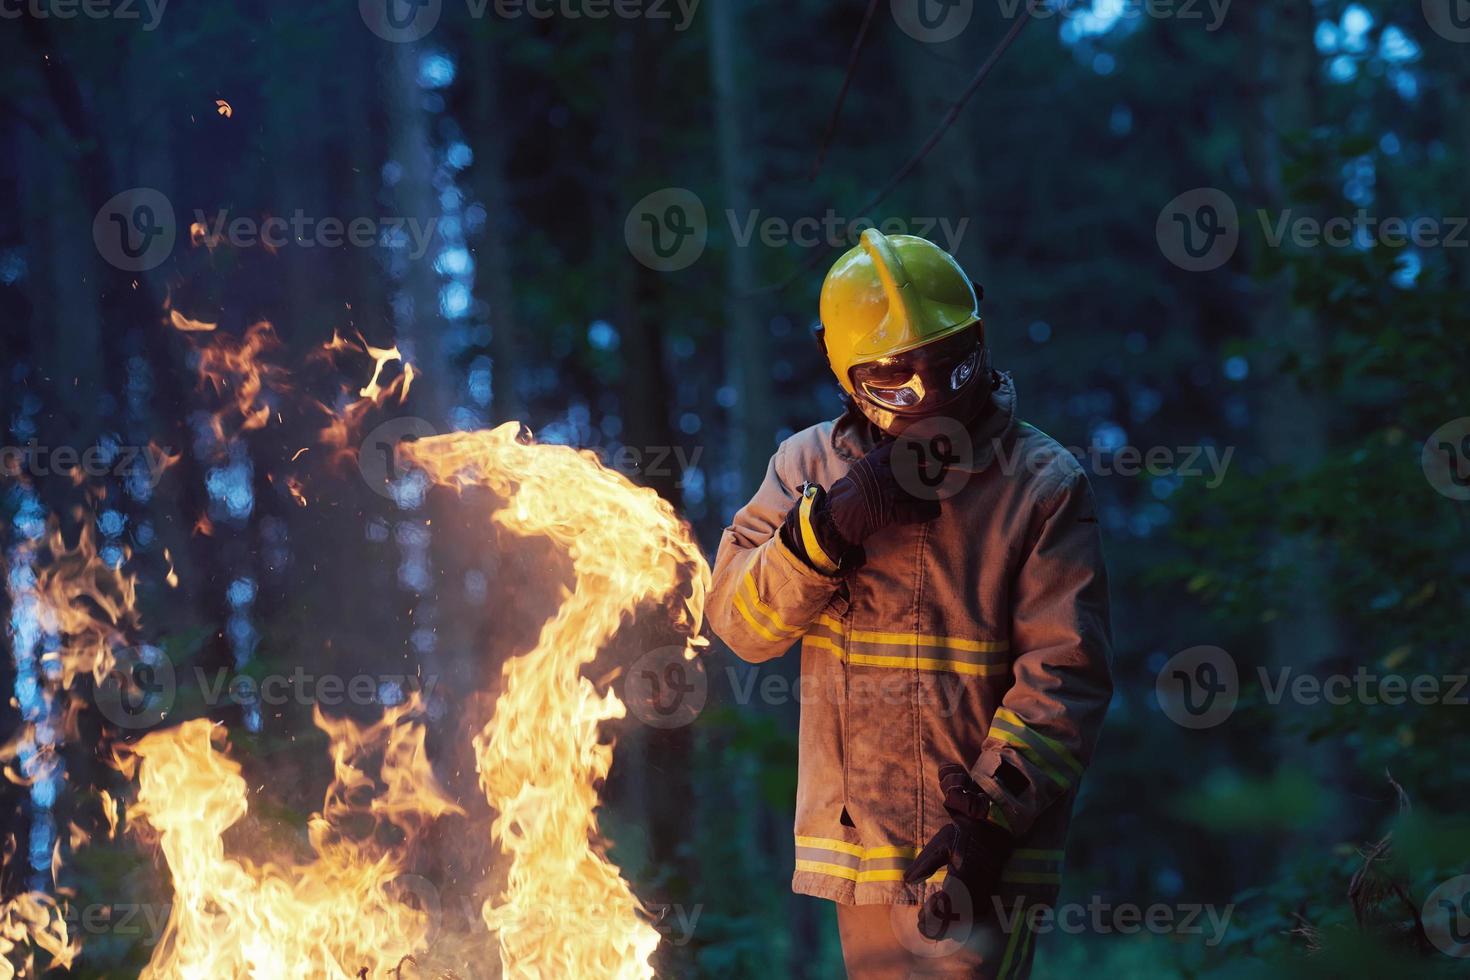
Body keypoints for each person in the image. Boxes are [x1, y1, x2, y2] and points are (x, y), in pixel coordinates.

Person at [708, 229, 1113, 978]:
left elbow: (1066, 673)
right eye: (898, 384)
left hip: (984, 853)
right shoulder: (806, 468)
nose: (934, 401)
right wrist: (825, 528)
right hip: (863, 852)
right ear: (845, 377)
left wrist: (991, 820)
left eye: (953, 366)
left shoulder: (1042, 483)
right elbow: (740, 624)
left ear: (981, 342)